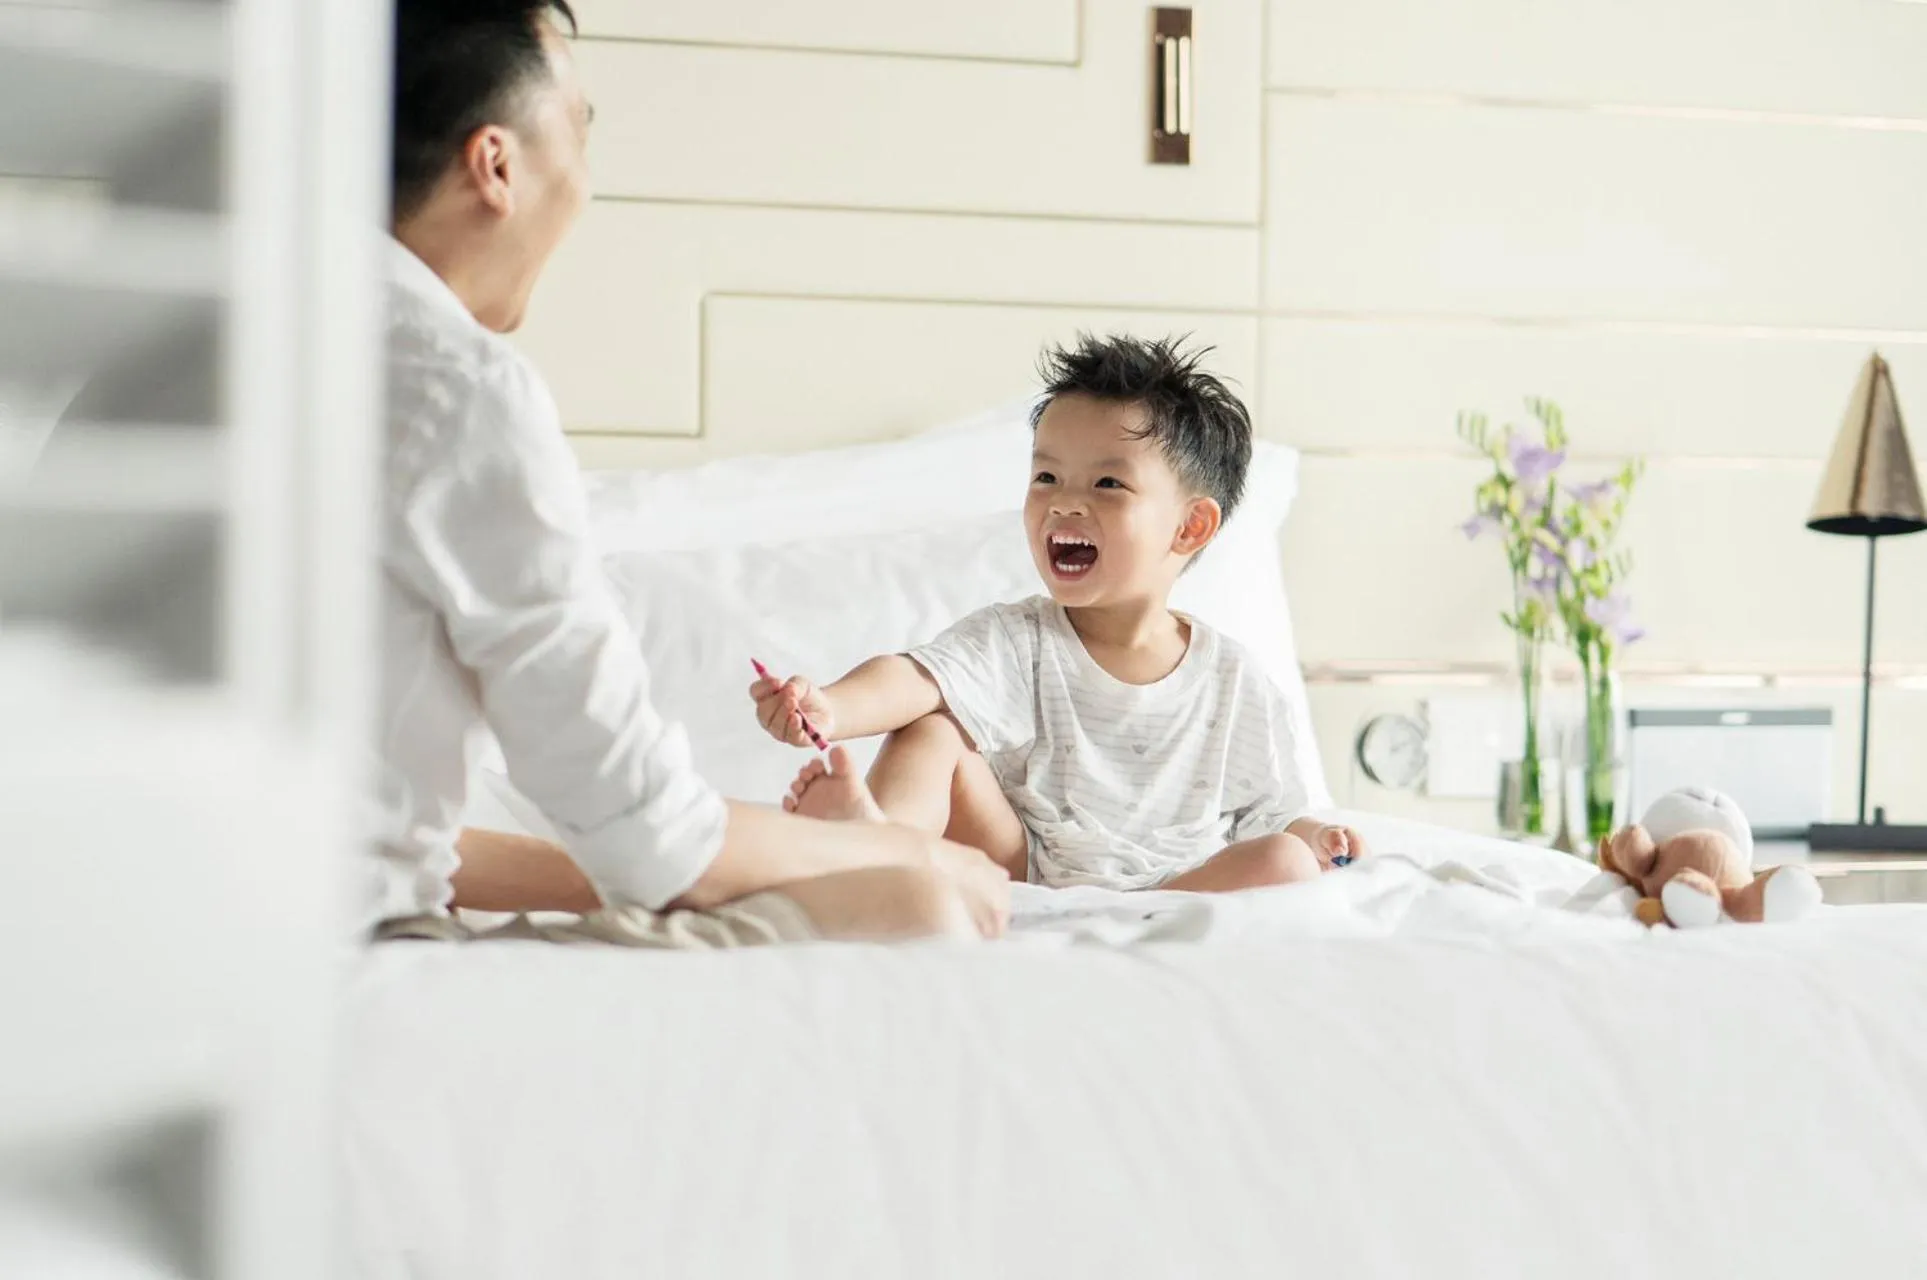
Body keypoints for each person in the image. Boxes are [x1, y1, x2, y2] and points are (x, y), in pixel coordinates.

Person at [369, 0, 1008, 944]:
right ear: (496, 165)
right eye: (579, 133)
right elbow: (652, 840)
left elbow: (371, 833)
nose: (584, 181)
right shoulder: (456, 388)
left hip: (181, 902)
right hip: (336, 946)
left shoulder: (197, 339)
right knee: (929, 910)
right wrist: (914, 856)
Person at [751, 335, 1367, 893]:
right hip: (1024, 867)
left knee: (1285, 862)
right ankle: (872, 854)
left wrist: (1312, 835)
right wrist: (830, 705)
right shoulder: (1018, 639)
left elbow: (1270, 812)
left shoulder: (1233, 681)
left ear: (1190, 525)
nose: (1064, 503)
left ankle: (1140, 919)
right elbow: (914, 677)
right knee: (933, 725)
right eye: (1046, 475)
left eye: (1107, 485)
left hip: (1177, 886)